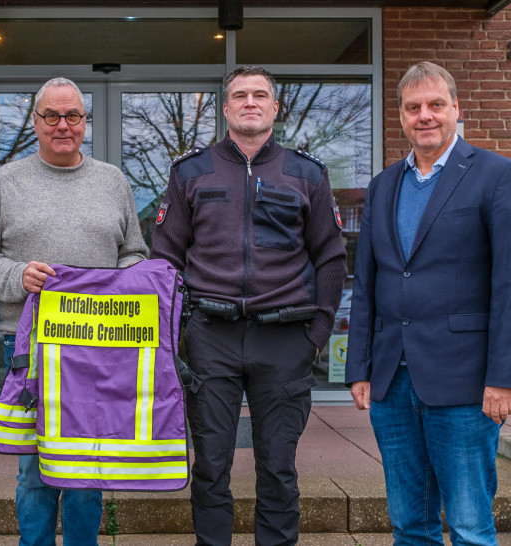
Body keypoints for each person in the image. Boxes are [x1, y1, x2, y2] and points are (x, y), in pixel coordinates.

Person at [151, 65, 347, 546]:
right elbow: (165, 259)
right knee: (211, 465)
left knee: (278, 466)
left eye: (260, 95)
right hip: (209, 338)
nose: (250, 102)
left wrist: (317, 335)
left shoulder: (308, 174)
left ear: (275, 108)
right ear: (225, 108)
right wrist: (176, 334)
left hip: (285, 338)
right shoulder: (190, 171)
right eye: (240, 95)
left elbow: (331, 257)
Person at [0, 77, 148, 546]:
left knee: (88, 470)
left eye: (73, 116)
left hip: (97, 348)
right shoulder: (7, 181)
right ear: (36, 120)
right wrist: (17, 275)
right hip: (29, 346)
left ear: (85, 122)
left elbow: (136, 256)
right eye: (52, 116)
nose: (63, 125)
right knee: (34, 471)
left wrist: (114, 285)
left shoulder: (113, 181)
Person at [345, 61, 511, 545]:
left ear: (456, 109)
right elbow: (368, 285)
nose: (426, 116)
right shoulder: (383, 186)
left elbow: (507, 284)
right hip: (393, 381)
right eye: (414, 107)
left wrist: (502, 378)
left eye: (436, 105)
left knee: (468, 526)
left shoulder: (496, 175)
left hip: (463, 381)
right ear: (400, 115)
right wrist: (360, 367)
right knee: (409, 525)